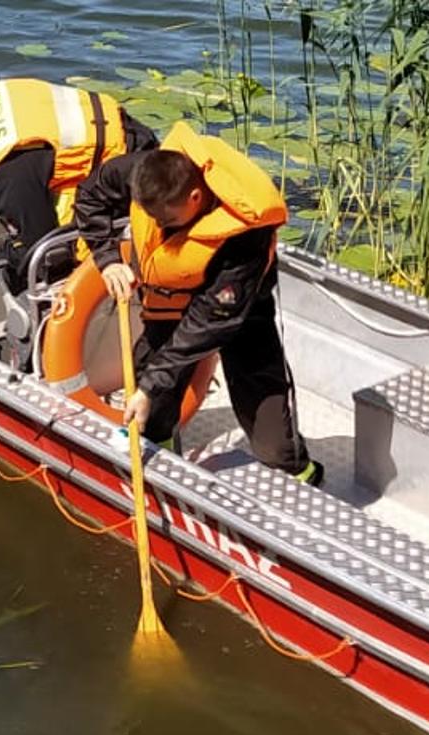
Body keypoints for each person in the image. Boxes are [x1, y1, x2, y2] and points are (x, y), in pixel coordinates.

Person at [72, 121, 321, 485]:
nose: (158, 224)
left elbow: (207, 324)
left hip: (237, 306)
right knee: (150, 404)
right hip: (168, 295)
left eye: (167, 218)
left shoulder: (245, 238)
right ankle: (159, 466)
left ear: (194, 198)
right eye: (151, 216)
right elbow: (91, 196)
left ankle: (300, 475)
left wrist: (153, 384)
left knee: (271, 434)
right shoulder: (144, 170)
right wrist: (108, 258)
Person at [0, 77, 158, 284]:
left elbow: (41, 254)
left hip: (127, 171)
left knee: (61, 253)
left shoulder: (9, 182)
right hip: (122, 124)